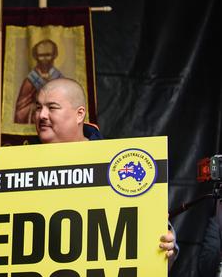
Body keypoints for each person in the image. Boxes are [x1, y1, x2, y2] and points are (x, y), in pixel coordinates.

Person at [33, 77, 178, 270]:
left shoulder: (116, 166)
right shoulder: (19, 166)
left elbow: (154, 247)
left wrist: (167, 248)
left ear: (79, 114)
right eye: (38, 107)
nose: (41, 115)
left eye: (52, 107)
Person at [14, 39, 63, 124]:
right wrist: (34, 108)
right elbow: (20, 112)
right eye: (41, 55)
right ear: (35, 56)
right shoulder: (30, 81)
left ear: (54, 55)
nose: (44, 59)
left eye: (48, 55)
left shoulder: (60, 79)